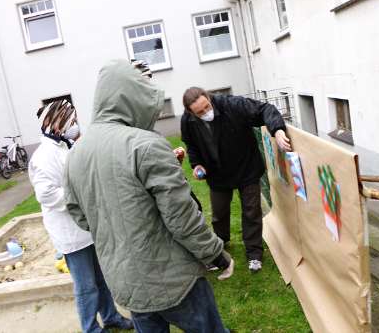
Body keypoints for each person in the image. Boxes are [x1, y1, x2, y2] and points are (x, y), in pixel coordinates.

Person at [63, 59, 232, 333]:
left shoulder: (76, 155)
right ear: (133, 97)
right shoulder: (145, 145)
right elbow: (181, 217)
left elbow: (81, 217)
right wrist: (216, 254)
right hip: (173, 278)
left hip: (127, 282)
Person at [28, 99, 133, 333]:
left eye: (73, 120)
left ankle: (111, 316)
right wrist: (81, 193)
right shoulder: (43, 156)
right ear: (51, 122)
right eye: (68, 121)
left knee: (101, 278)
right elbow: (47, 196)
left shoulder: (65, 147)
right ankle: (90, 328)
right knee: (86, 286)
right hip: (70, 233)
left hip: (87, 227)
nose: (73, 125)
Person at [181, 87, 292, 272]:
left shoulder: (232, 105)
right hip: (217, 173)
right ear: (191, 112)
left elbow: (265, 109)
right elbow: (191, 145)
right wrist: (197, 164)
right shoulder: (188, 121)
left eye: (207, 107)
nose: (206, 113)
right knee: (219, 213)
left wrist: (278, 130)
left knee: (251, 211)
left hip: (246, 167)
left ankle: (254, 254)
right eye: (200, 112)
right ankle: (220, 244)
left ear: (209, 98)